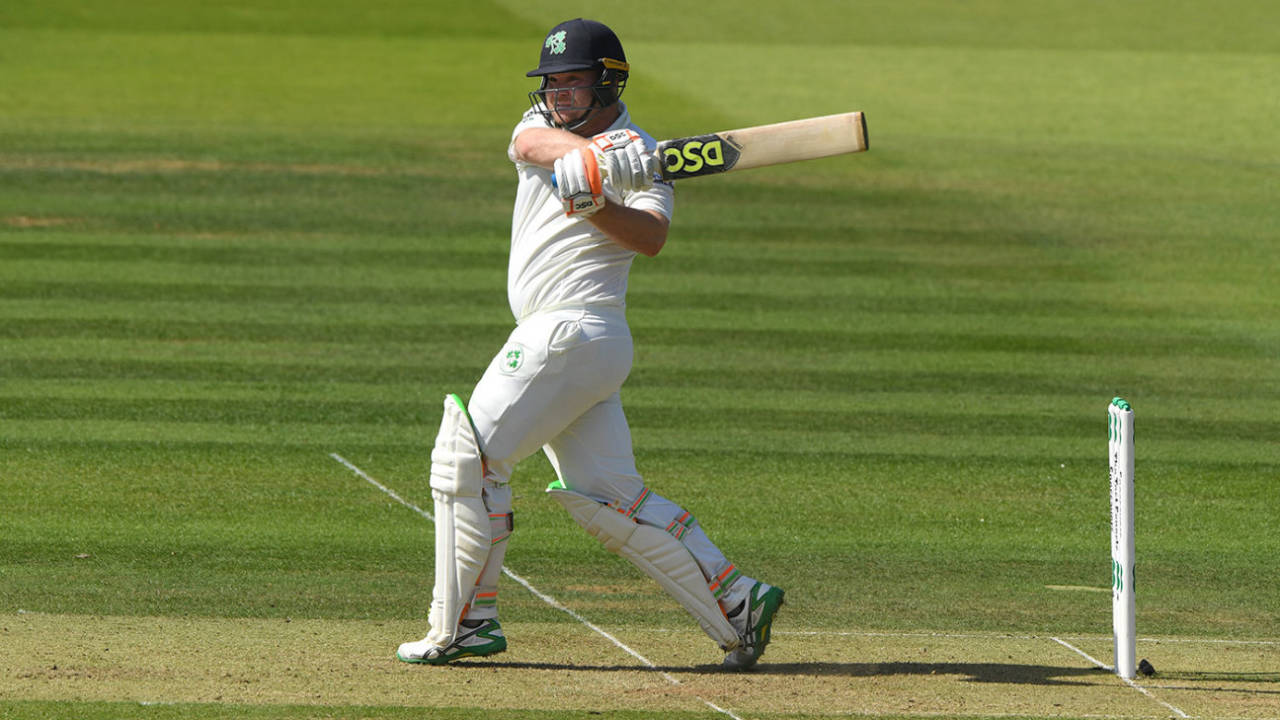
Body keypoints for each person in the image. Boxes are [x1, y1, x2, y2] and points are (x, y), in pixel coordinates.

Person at [395, 18, 783, 670]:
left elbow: (651, 238)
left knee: (468, 461)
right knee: (609, 498)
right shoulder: (540, 129)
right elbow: (533, 146)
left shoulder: (645, 155)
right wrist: (589, 163)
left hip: (572, 331)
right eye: (552, 82)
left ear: (609, 81)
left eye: (574, 81)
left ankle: (462, 624)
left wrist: (598, 202)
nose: (559, 93)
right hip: (573, 344)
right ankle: (736, 600)